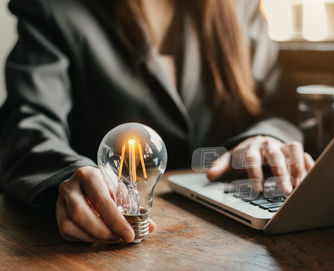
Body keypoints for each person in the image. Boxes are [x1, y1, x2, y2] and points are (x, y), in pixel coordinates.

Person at [0, 0, 314, 243]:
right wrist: (68, 177)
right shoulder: (54, 7)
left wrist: (265, 138)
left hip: (225, 223)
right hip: (106, 236)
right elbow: (29, 122)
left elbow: (277, 104)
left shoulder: (239, 6)